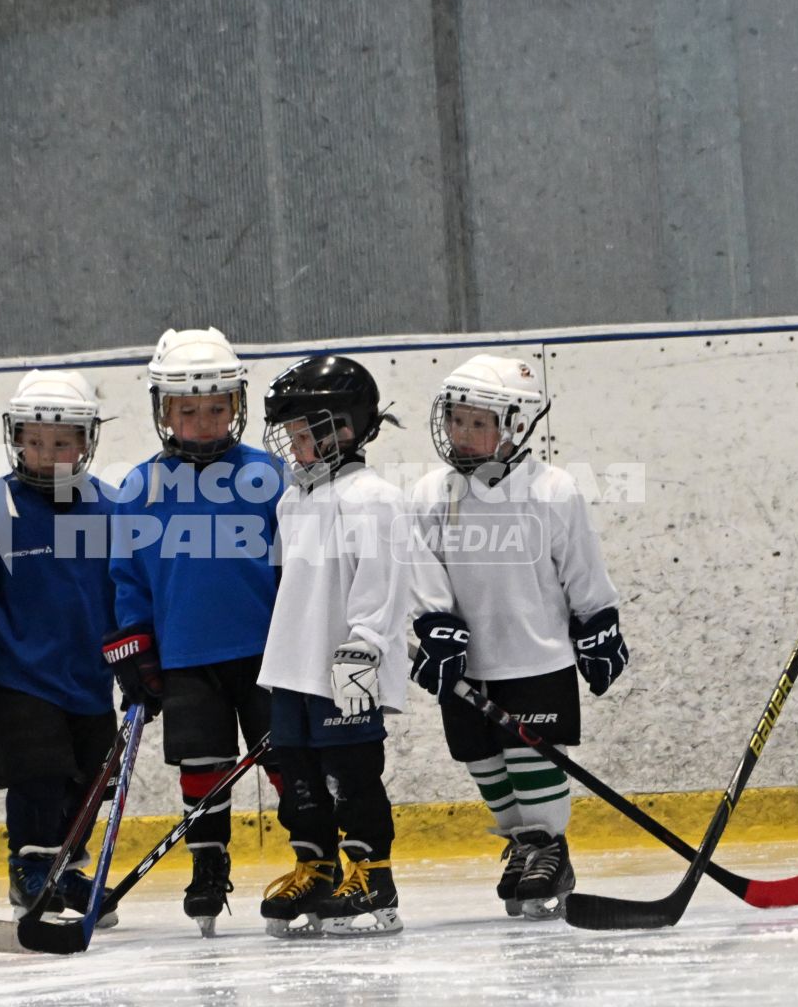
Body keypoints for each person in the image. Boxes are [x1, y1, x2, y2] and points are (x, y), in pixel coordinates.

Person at [407, 355, 627, 918]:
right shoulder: (433, 493)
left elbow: (583, 568)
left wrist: (597, 623)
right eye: (456, 420)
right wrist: (432, 624)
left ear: (517, 425)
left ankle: (549, 846)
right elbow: (421, 568)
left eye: (479, 423)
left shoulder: (553, 490)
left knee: (531, 762)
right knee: (484, 762)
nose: (463, 433)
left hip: (537, 656)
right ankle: (521, 844)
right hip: (468, 663)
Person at [103, 328, 290, 936]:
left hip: (269, 653)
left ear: (237, 405)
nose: (204, 422)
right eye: (188, 410)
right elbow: (127, 575)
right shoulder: (140, 486)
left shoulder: (271, 475)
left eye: (217, 408)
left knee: (289, 759)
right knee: (202, 764)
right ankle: (208, 864)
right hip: (186, 655)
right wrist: (134, 644)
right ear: (164, 410)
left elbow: (299, 562)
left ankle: (315, 853)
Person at [0, 369, 120, 924]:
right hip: (17, 678)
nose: (47, 454)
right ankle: (31, 870)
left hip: (89, 678)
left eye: (62, 442)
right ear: (15, 438)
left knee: (90, 781)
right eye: (35, 441)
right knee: (36, 775)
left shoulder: (111, 509)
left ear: (86, 441)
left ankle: (68, 870)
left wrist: (144, 651)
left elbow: (128, 588)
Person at [254, 355, 411, 937]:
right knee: (298, 776)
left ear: (344, 428)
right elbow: (292, 587)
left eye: (304, 433)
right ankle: (316, 868)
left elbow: (386, 578)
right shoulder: (293, 501)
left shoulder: (374, 496)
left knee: (351, 775)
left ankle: (372, 876)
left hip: (347, 666)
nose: (294, 445)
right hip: (294, 668)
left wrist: (366, 644)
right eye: (291, 434)